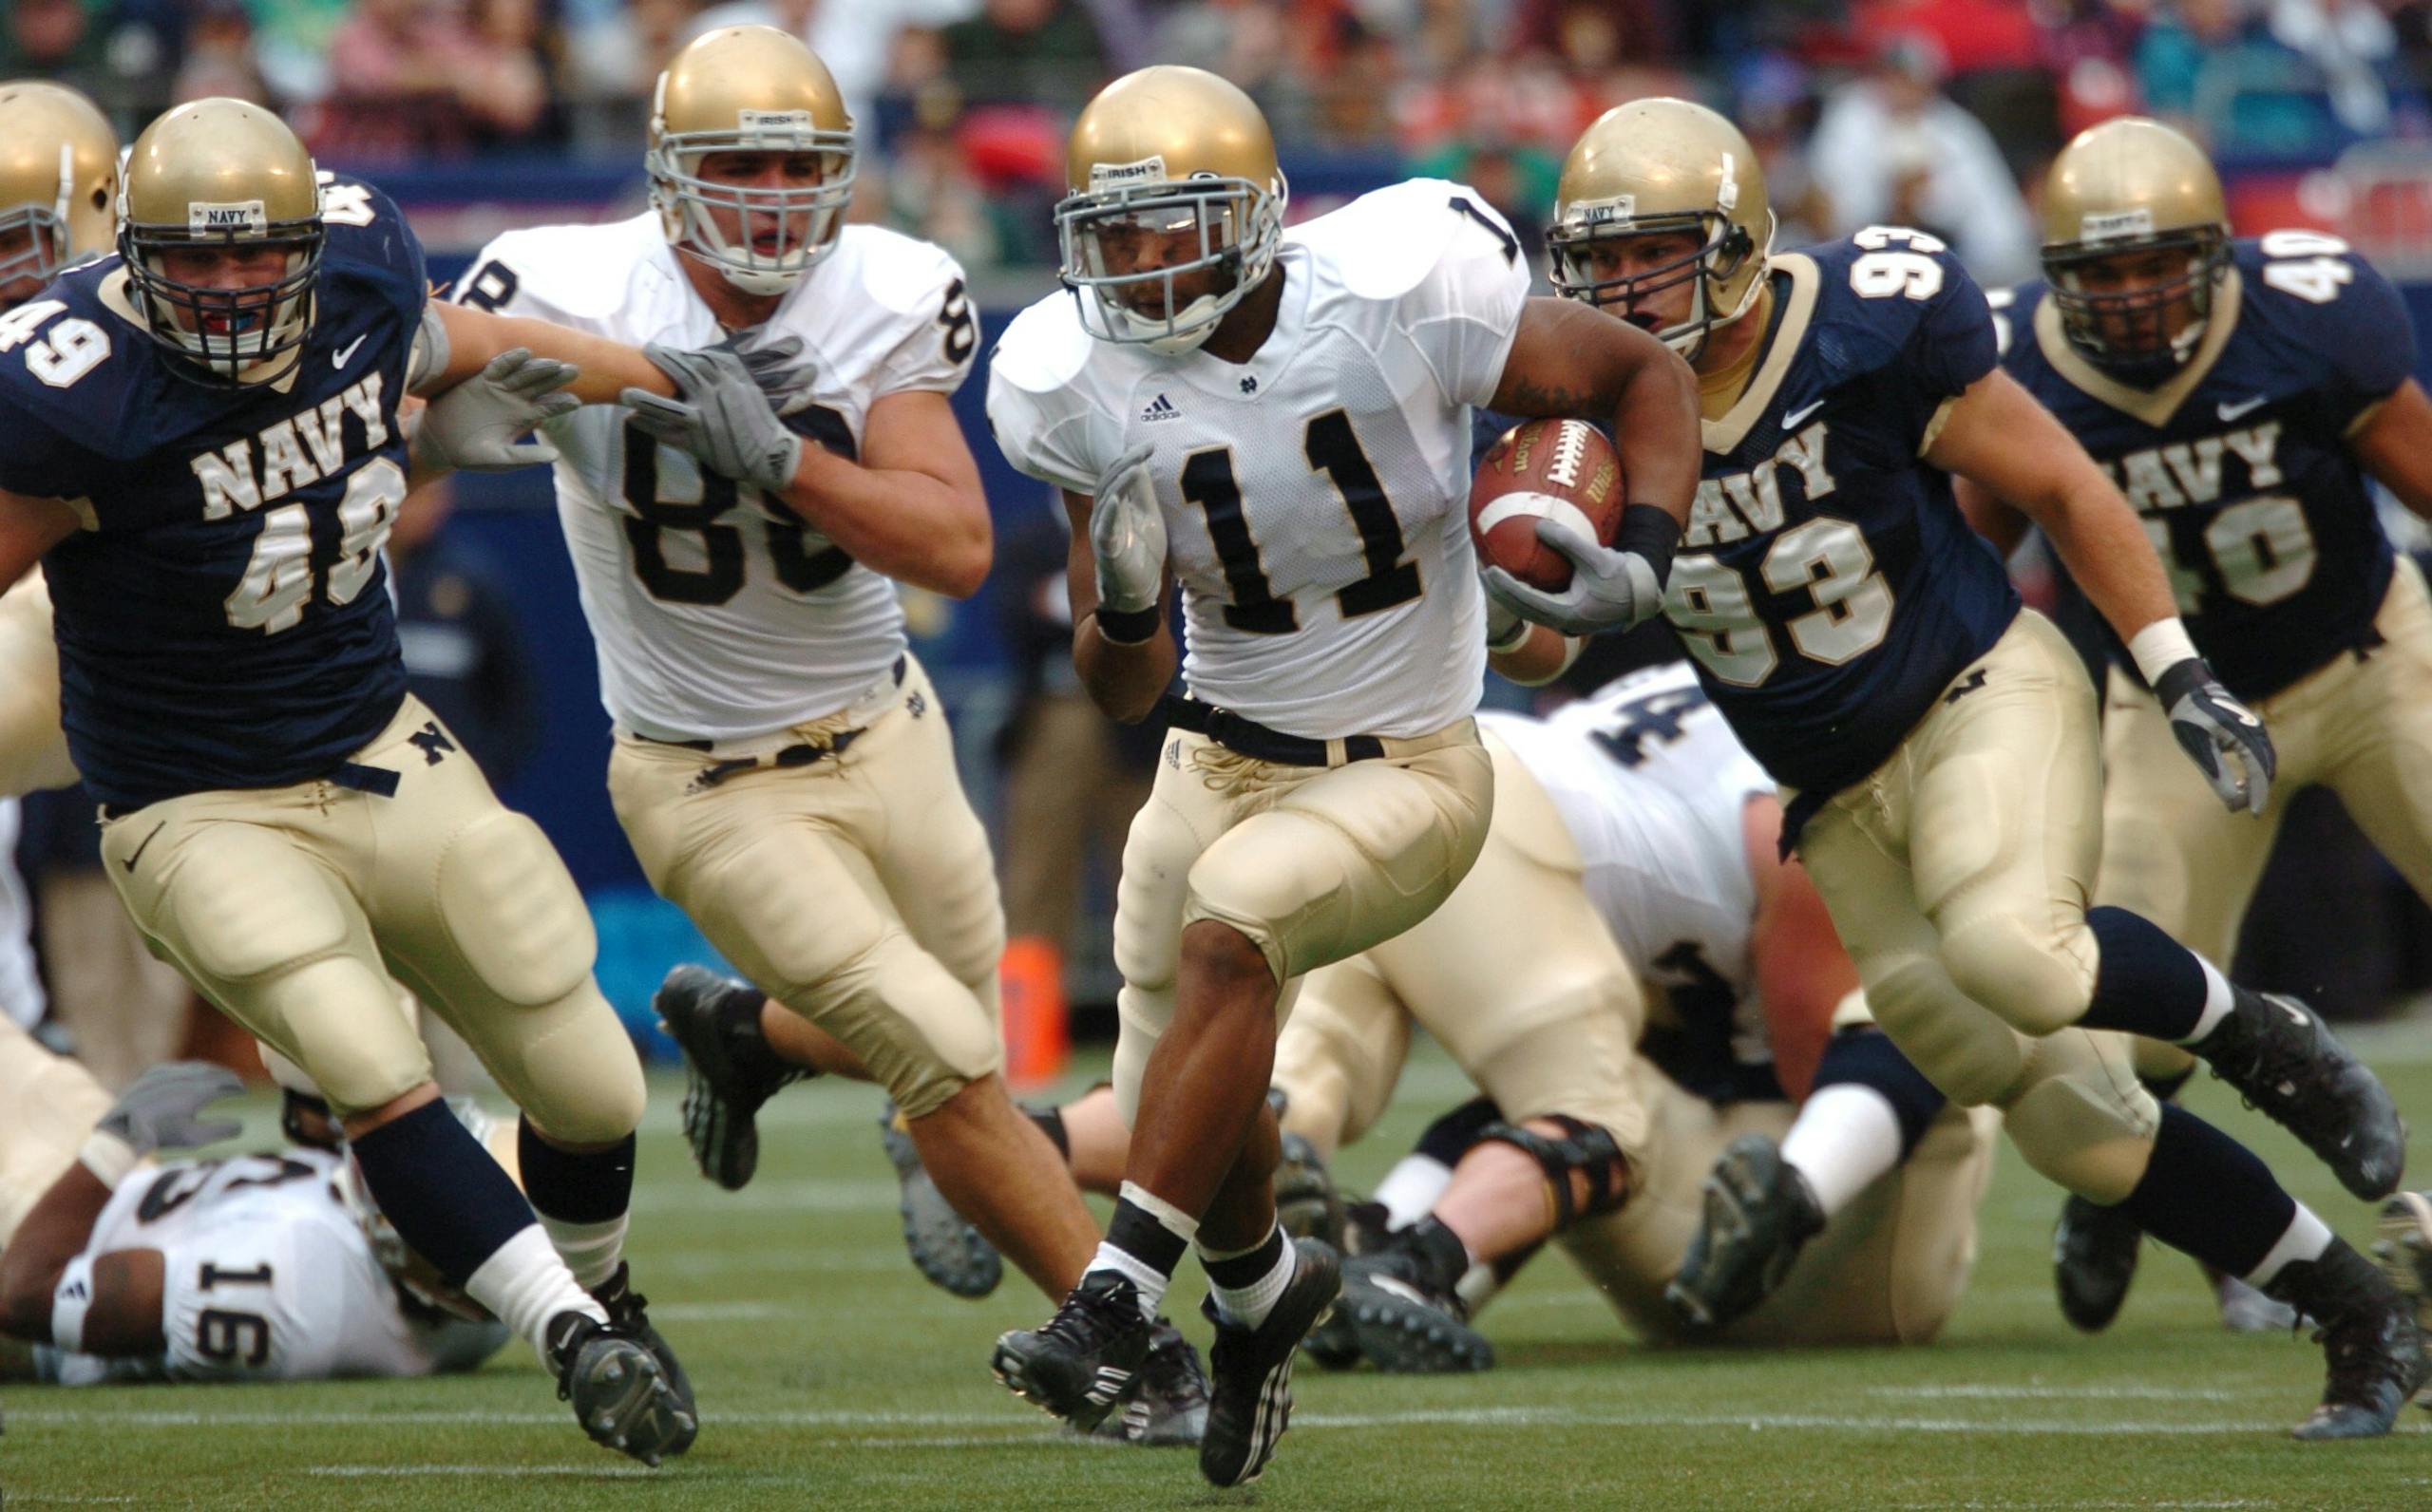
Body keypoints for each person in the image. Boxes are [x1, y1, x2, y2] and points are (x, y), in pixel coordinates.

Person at [1493, 95, 2420, 1439]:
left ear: (1741, 242)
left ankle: (2262, 1037)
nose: (1624, 284)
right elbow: (1524, 651)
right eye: (1602, 258)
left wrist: (2172, 668)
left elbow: (2065, 485)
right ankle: (2351, 1305)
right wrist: (1537, 615)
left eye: (1657, 250)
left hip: (1977, 695)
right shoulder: (1573, 405)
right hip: (1834, 801)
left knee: (2018, 951)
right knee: (2070, 1126)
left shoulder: (1863, 324)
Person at [449, 24, 1172, 1437]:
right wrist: (601, 382)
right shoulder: (577, 277)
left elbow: (957, 546)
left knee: (973, 1043)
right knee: (939, 1052)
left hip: (885, 729)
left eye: (801, 165)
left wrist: (779, 455)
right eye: (744, 165)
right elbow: (434, 351)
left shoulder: (886, 290)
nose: (777, 195)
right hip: (703, 773)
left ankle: (749, 1035)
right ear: (669, 179)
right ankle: (1125, 1345)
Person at [982, 64, 1700, 1487]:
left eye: (1167, 223)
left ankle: (1114, 1303)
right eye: (1111, 233)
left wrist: (1650, 553)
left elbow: (1641, 372)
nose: (1136, 261)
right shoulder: (1073, 376)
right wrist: (1124, 608)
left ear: (1254, 217)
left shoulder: (1397, 288)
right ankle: (1260, 1296)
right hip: (1214, 750)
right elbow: (1120, 686)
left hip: (1412, 765)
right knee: (1180, 1078)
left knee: (1230, 934)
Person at [0, 97, 738, 1465]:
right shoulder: (71, 389)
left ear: (305, 244)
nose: (228, 289)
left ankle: (607, 1288)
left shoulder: (362, 271)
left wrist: (652, 376)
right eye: (195, 262)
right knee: (362, 1056)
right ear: (134, 253)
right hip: (194, 799)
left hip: (372, 740)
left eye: (254, 257)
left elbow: (478, 343)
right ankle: (573, 1337)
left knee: (586, 1077)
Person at [872, 662, 1999, 1367]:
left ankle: (1012, 1144)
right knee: (1591, 1118)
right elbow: (1811, 1045)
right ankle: (1418, 1260)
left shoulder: (1718, 705)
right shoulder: (1807, 788)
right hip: (1496, 837)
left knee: (1268, 1092)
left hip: (1407, 791)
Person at [1958, 117, 2432, 1337]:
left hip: (2369, 658)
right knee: (2135, 1006)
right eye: (2098, 273)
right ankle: (2131, 1196)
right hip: (2178, 705)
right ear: (2055, 277)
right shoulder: (2017, 365)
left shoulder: (2309, 314)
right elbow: (1966, 572)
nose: (2126, 297)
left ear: (2217, 253)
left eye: (2152, 264)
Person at [0, 1039, 512, 1386]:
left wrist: (121, 1140)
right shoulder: (496, 1288)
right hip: (101, 1187)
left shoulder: (291, 1288)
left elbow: (22, 1295)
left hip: (38, 1235)